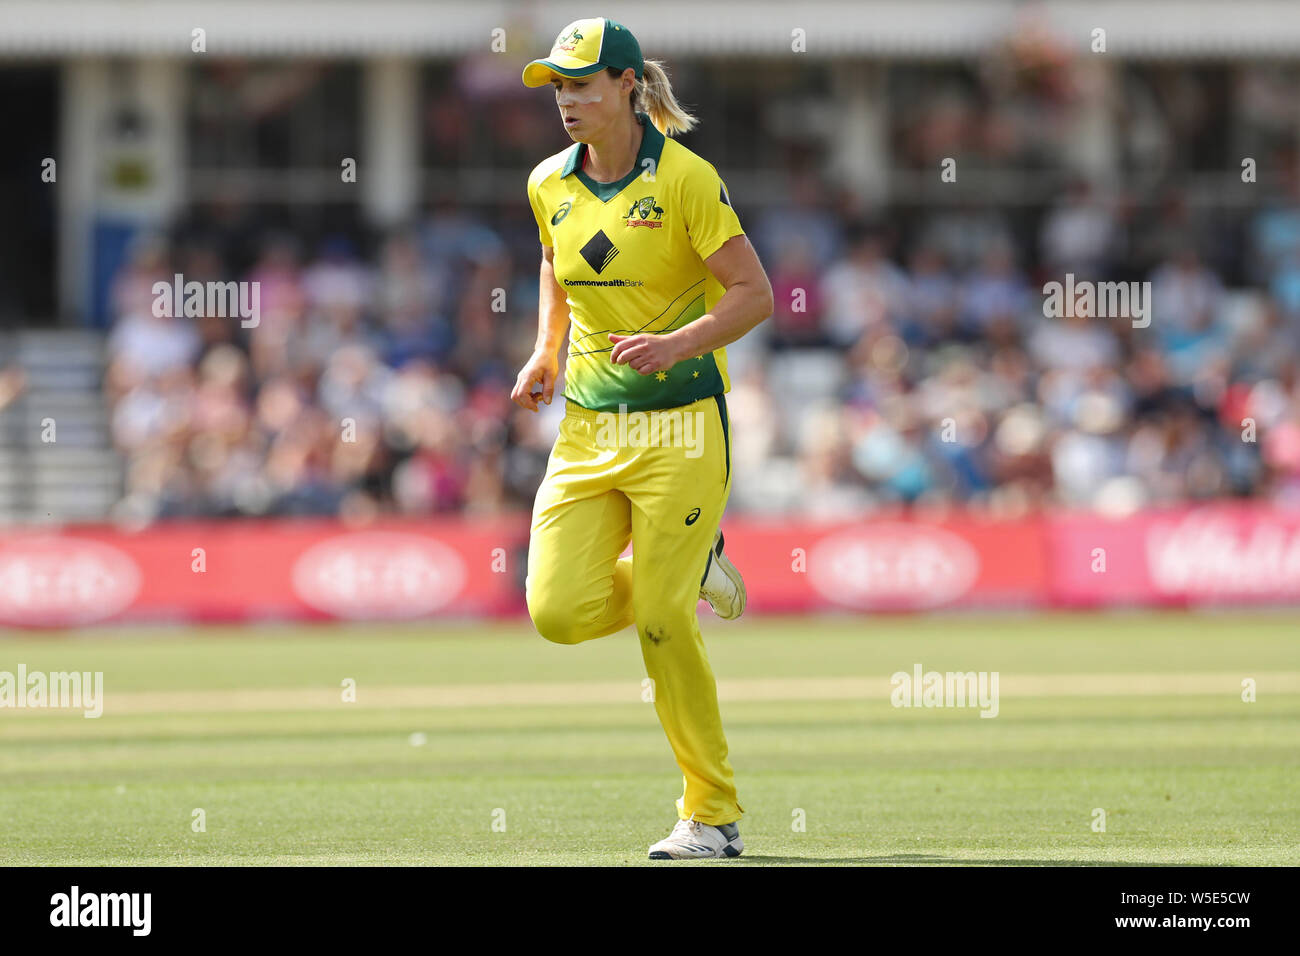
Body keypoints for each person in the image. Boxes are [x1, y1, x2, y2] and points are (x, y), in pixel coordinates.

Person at [512, 17, 773, 860]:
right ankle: (694, 566)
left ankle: (713, 815)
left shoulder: (689, 179)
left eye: (583, 85)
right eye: (558, 87)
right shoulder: (547, 182)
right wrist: (545, 350)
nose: (568, 102)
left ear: (628, 85)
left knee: (663, 620)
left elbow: (754, 294)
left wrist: (678, 344)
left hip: (685, 426)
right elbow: (556, 260)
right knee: (556, 611)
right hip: (587, 428)